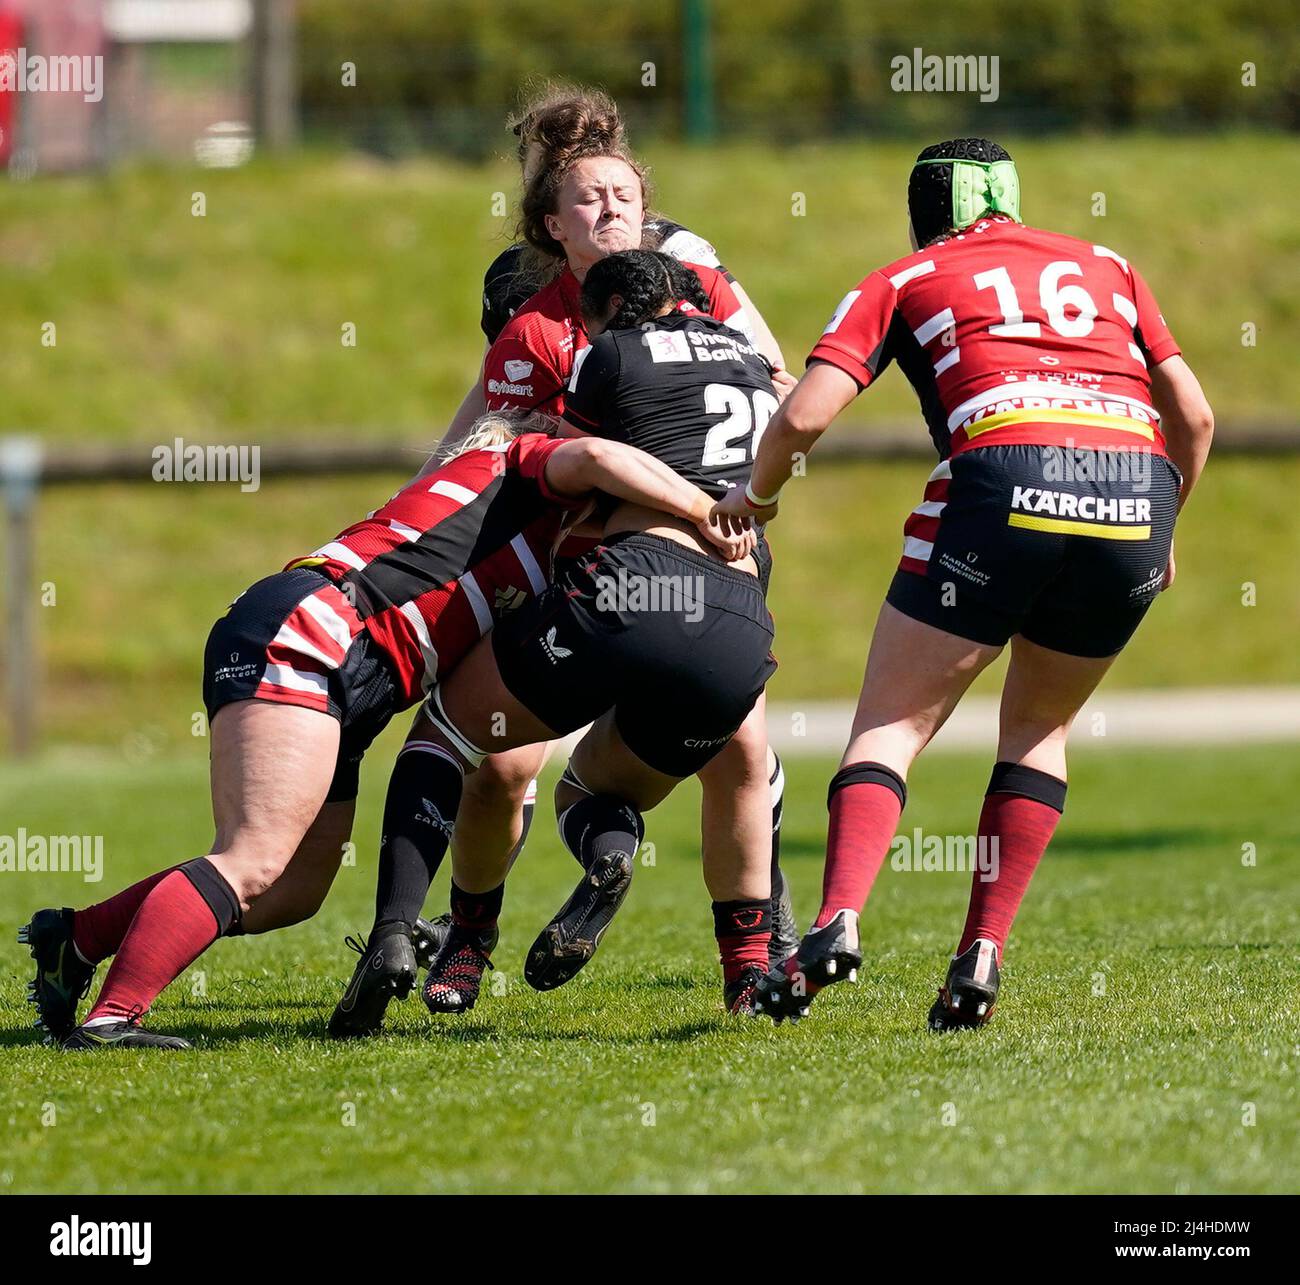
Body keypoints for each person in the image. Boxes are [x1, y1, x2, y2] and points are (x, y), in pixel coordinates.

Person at [19, 416, 747, 1049]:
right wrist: (703, 506)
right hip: (319, 631)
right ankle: (113, 1018)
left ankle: (75, 939)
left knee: (295, 889)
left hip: (350, 661)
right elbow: (590, 458)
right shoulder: (532, 461)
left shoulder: (549, 533)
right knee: (255, 858)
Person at [712, 138, 1214, 1028]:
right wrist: (1168, 513)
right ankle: (980, 954)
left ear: (923, 212)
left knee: (891, 726)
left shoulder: (905, 276)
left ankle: (835, 923)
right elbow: (1195, 414)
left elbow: (805, 413)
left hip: (1003, 471)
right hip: (1135, 493)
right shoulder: (1108, 265)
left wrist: (755, 496)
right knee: (1038, 730)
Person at [410, 85, 800, 979]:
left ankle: (474, 941)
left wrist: (695, 476)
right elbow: (490, 433)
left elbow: (772, 380)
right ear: (551, 214)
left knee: (716, 751)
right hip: (633, 547)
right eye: (587, 194)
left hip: (657, 543)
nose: (611, 208)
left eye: (622, 194)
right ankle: (752, 951)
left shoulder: (685, 268)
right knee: (533, 765)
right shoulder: (533, 304)